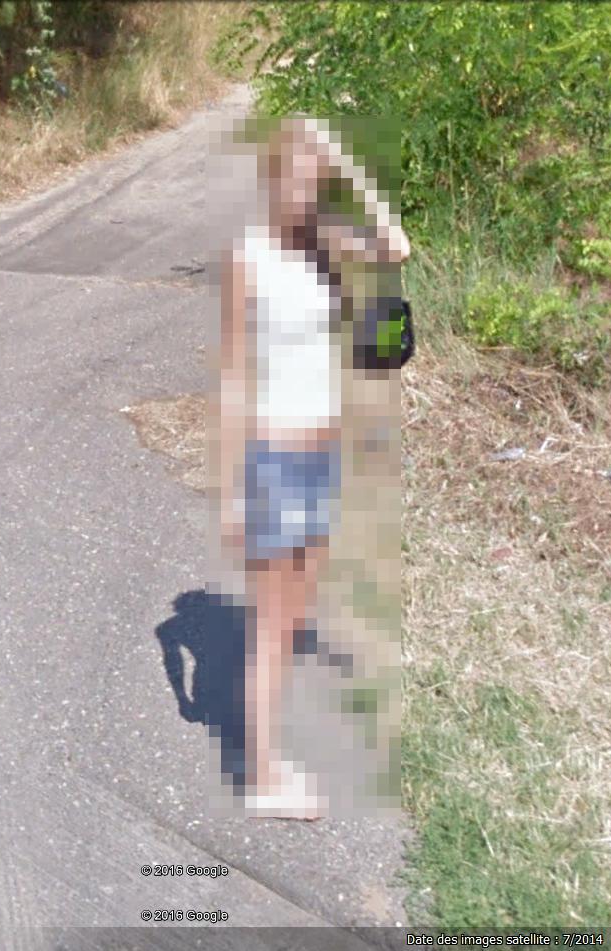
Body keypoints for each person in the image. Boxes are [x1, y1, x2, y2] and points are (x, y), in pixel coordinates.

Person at [216, 116, 409, 820]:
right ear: (271, 178)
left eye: (314, 180)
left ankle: (267, 757)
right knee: (272, 625)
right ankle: (262, 778)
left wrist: (345, 161)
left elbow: (397, 246)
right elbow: (234, 378)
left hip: (322, 456)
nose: (303, 191)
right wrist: (231, 491)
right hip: (273, 460)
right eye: (294, 177)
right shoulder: (248, 257)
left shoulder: (326, 245)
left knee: (295, 616)